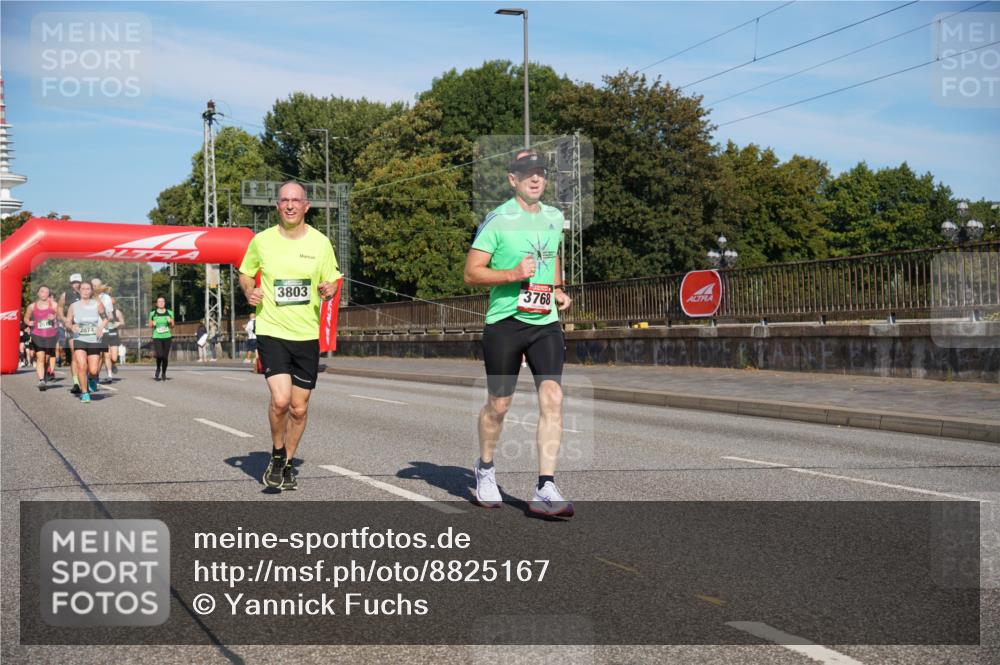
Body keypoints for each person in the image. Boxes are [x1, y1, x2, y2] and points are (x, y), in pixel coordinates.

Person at [463, 150, 574, 517]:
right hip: (505, 323)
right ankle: (486, 468)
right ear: (513, 179)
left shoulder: (554, 218)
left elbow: (552, 255)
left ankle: (545, 486)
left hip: (544, 323)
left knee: (553, 398)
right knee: (499, 404)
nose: (536, 178)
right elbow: (472, 273)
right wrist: (512, 274)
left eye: (541, 172)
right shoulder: (497, 220)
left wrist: (557, 288)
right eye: (528, 173)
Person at [239, 181, 341, 491]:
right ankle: (276, 451)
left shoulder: (321, 243)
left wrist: (329, 288)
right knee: (281, 400)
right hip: (272, 330)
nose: (290, 205)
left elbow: (334, 279)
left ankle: (287, 462)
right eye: (284, 200)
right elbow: (245, 272)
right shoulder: (262, 241)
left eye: (296, 200)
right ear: (277, 206)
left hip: (306, 335)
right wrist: (249, 291)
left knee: (299, 407)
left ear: (306, 206)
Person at [66, 280, 107, 403]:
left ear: (91, 291)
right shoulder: (73, 306)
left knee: (94, 370)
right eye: (83, 289)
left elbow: (106, 318)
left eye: (87, 289)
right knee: (82, 366)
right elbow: (68, 321)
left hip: (94, 339)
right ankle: (85, 393)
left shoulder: (97, 304)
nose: (85, 291)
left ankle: (91, 379)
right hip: (79, 338)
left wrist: (100, 327)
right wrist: (71, 326)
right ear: (79, 291)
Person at [23, 286, 58, 390]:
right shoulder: (32, 306)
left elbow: (60, 315)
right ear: (38, 293)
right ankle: (41, 380)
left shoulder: (54, 305)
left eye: (46, 292)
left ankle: (45, 375)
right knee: (40, 357)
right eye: (42, 292)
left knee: (47, 358)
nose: (44, 294)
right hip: (37, 334)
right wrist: (29, 322)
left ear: (49, 294)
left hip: (50, 335)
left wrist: (55, 317)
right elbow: (26, 318)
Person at [59, 273, 83, 394]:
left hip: (86, 329)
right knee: (75, 355)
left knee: (86, 356)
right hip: (72, 329)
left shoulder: (86, 293)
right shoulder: (65, 295)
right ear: (70, 284)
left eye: (78, 282)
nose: (76, 284)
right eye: (74, 282)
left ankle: (85, 378)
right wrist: (65, 320)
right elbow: (59, 308)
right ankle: (76, 383)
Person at [91, 278, 118, 382]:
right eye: (93, 285)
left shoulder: (106, 298)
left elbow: (110, 314)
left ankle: (95, 377)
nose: (95, 287)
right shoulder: (87, 297)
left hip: (103, 330)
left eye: (97, 285)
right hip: (89, 330)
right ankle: (91, 375)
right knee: (91, 355)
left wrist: (107, 317)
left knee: (100, 355)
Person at [100, 290, 124, 382]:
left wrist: (119, 324)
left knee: (113, 357)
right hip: (105, 335)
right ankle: (109, 375)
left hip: (114, 336)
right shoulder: (101, 311)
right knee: (106, 355)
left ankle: (113, 364)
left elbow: (122, 323)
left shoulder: (116, 312)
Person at [148, 297, 174, 381]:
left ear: (165, 303)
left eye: (163, 301)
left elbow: (173, 326)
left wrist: (170, 321)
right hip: (157, 336)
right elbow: (150, 325)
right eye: (159, 301)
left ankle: (163, 373)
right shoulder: (153, 313)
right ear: (156, 304)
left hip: (167, 336)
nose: (161, 303)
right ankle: (158, 367)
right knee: (159, 355)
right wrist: (153, 323)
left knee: (165, 357)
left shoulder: (170, 312)